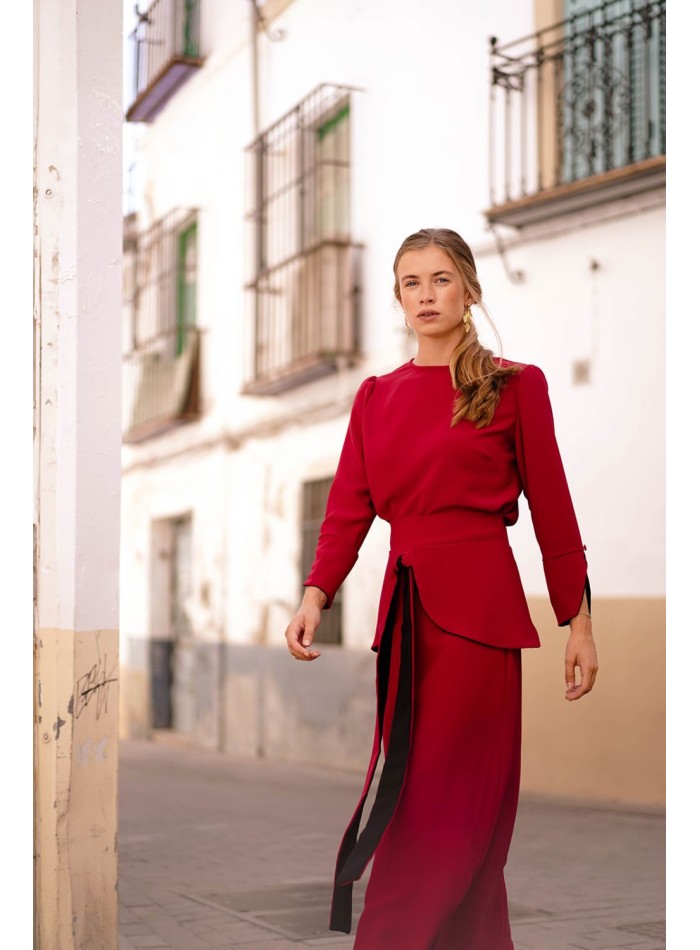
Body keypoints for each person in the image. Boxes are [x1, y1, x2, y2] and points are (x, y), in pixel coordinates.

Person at [283, 227, 599, 949]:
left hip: (479, 625)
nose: (426, 295)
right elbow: (348, 507)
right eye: (410, 283)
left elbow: (554, 510)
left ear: (468, 289)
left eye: (440, 279)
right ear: (397, 298)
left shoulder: (517, 386)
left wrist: (578, 624)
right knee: (429, 811)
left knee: (444, 814)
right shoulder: (375, 397)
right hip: (406, 623)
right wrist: (315, 593)